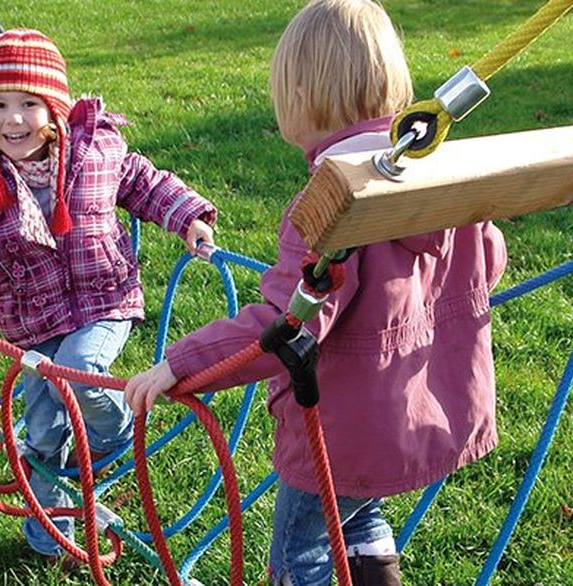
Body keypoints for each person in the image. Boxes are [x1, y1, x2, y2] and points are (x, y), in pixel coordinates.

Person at [124, 1, 507, 584]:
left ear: (299, 100)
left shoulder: (327, 209)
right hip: (430, 414)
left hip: (339, 434)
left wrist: (180, 364)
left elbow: (285, 326)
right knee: (358, 510)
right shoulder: (443, 179)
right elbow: (492, 260)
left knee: (301, 548)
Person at [0, 28, 217, 563]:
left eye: (28, 103)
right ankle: (51, 535)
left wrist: (190, 220)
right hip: (33, 321)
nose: (13, 120)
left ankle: (114, 434)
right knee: (43, 430)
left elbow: (147, 184)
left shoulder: (97, 150)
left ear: (56, 108)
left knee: (80, 367)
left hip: (103, 299)